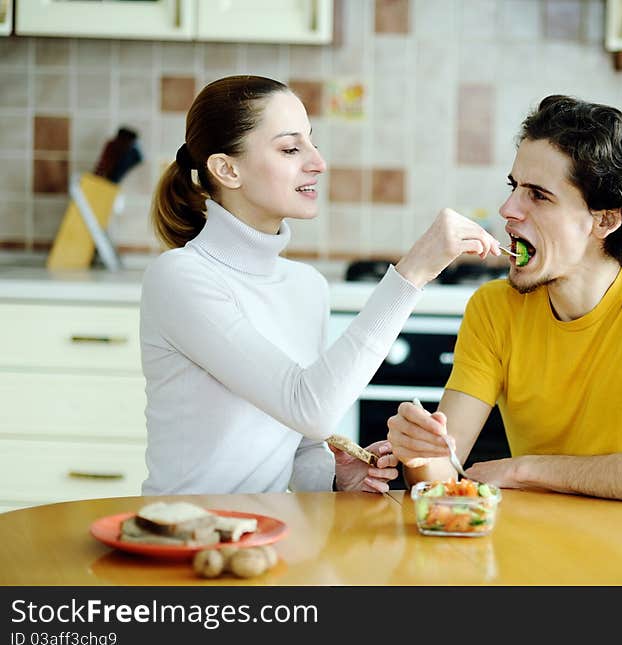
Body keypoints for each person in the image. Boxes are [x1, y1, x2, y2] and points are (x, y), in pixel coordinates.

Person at [140, 75, 501, 496]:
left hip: (267, 536)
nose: (317, 162)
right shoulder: (181, 278)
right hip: (182, 537)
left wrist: (334, 478)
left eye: (312, 143)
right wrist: (413, 272)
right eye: (291, 148)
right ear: (227, 169)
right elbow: (308, 408)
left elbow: (302, 441)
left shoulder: (306, 286)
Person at [387, 95, 622, 506]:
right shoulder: (494, 308)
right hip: (537, 550)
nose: (508, 209)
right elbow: (442, 474)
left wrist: (523, 469)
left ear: (604, 220)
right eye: (514, 188)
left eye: (538, 195)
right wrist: (419, 452)